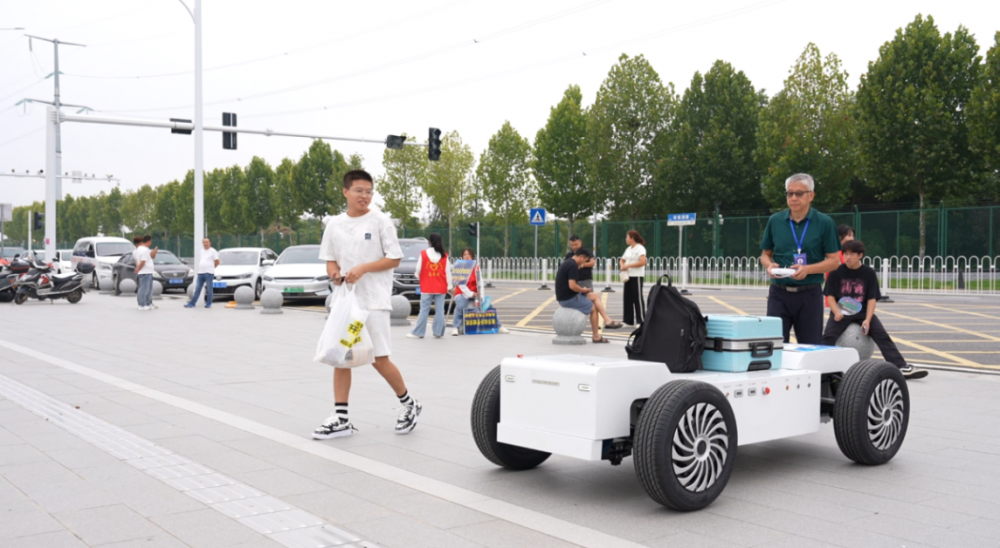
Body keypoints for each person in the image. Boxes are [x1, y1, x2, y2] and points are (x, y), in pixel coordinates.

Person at [313, 169, 420, 439]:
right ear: (345, 192)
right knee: (340, 356)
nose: (365, 196)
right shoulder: (335, 224)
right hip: (347, 303)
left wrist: (363, 268)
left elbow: (394, 258)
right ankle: (341, 418)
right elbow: (330, 258)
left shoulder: (380, 221)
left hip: (373, 301)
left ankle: (409, 404)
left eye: (369, 191)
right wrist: (334, 274)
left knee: (379, 359)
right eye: (359, 190)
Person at [822, 240, 928, 380]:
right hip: (841, 312)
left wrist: (868, 319)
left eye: (852, 254)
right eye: (845, 254)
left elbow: (871, 299)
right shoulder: (836, 272)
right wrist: (836, 312)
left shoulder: (869, 273)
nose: (847, 257)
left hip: (863, 312)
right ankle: (821, 367)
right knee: (828, 337)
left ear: (860, 255)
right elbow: (830, 296)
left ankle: (901, 367)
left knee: (882, 336)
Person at [760, 173, 841, 344]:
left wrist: (808, 269)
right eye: (789, 193)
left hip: (809, 294)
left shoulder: (824, 222)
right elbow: (765, 255)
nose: (793, 198)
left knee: (810, 346)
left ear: (811, 195)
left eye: (799, 193)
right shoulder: (775, 221)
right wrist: (769, 265)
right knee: (774, 346)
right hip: (779, 293)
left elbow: (834, 261)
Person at [556, 248, 624, 343]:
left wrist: (582, 290)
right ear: (581, 257)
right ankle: (596, 336)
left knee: (596, 296)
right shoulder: (573, 265)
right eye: (585, 260)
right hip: (568, 299)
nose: (584, 263)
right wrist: (582, 290)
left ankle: (607, 320)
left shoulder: (569, 262)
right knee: (593, 308)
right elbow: (572, 286)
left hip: (567, 296)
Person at [450, 247, 509, 336]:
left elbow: (480, 281)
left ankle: (499, 326)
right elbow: (461, 285)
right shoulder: (460, 266)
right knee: (461, 305)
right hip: (462, 293)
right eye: (464, 254)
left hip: (475, 293)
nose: (466, 256)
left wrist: (481, 295)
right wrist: (471, 294)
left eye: (468, 254)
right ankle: (455, 327)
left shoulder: (476, 267)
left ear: (472, 256)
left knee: (488, 305)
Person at [406, 233, 452, 339]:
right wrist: (449, 287)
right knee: (440, 310)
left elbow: (418, 270)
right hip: (441, 287)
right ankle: (438, 332)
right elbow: (447, 273)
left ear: (430, 242)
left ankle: (419, 332)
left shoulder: (424, 254)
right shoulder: (444, 256)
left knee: (424, 310)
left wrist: (421, 278)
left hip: (427, 287)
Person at [619, 230, 648, 326]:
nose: (626, 239)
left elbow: (643, 262)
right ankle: (628, 320)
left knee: (637, 298)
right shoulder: (628, 249)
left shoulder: (640, 248)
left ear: (632, 238)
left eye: (627, 237)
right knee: (627, 298)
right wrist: (622, 265)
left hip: (637, 276)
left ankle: (641, 321)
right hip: (628, 276)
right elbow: (622, 259)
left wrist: (628, 265)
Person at [185, 238, 219, 309]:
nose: (205, 244)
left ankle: (208, 303)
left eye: (207, 242)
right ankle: (192, 303)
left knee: (209, 289)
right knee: (197, 289)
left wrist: (212, 267)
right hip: (200, 273)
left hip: (209, 273)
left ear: (210, 243)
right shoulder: (202, 251)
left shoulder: (213, 251)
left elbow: (217, 261)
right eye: (204, 242)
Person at [133, 236, 157, 311]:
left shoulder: (139, 250)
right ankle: (142, 304)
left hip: (147, 272)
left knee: (148, 289)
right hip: (145, 272)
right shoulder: (143, 250)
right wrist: (138, 269)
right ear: (149, 241)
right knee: (144, 289)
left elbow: (138, 260)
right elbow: (143, 261)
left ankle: (147, 304)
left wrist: (154, 252)